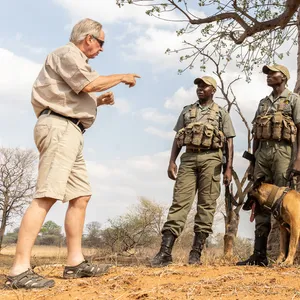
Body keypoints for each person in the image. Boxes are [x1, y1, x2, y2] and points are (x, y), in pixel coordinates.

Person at [5, 18, 140, 289]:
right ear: (88, 38)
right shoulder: (67, 53)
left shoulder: (73, 60)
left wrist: (98, 101)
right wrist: (121, 77)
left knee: (80, 195)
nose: (102, 48)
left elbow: (77, 94)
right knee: (46, 195)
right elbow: (90, 84)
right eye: (101, 42)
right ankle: (19, 269)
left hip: (71, 130)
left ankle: (75, 263)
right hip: (59, 128)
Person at [151, 76, 235, 266]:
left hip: (212, 159)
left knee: (207, 205)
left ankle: (195, 253)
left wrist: (228, 168)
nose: (200, 88)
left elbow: (229, 142)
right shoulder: (187, 111)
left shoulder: (221, 113)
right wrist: (172, 161)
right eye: (198, 85)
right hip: (188, 158)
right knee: (179, 203)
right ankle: (164, 252)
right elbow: (178, 137)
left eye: (204, 86)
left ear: (213, 90)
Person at [237, 64, 300, 266]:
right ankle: (259, 254)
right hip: (262, 154)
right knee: (259, 199)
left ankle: (288, 256)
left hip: (284, 153)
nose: (269, 76)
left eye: (273, 73)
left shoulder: (294, 100)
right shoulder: (263, 102)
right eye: (268, 74)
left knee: (284, 204)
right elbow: (256, 132)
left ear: (284, 77)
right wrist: (253, 160)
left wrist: (298, 159)